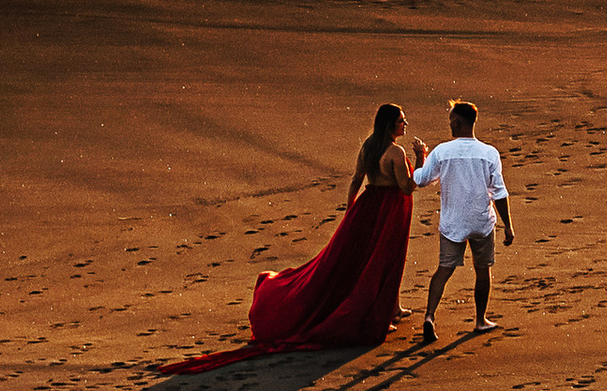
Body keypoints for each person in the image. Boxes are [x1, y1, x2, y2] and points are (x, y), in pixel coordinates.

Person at [161, 103, 416, 372]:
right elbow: (406, 188)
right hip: (389, 210)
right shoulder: (396, 152)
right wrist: (421, 159)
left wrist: (350, 211)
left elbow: (356, 180)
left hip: (366, 207)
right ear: (389, 125)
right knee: (384, 259)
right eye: (401, 120)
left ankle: (394, 306)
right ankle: (382, 312)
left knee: (363, 260)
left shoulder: (368, 147)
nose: (405, 124)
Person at [412, 99, 514, 343]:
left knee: (444, 269)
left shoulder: (443, 151)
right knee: (482, 269)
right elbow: (499, 192)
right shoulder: (489, 153)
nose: (450, 125)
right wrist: (508, 226)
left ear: (457, 122)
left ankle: (429, 316)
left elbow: (421, 179)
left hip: (452, 222)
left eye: (451, 120)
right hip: (481, 221)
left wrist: (420, 156)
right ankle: (480, 320)